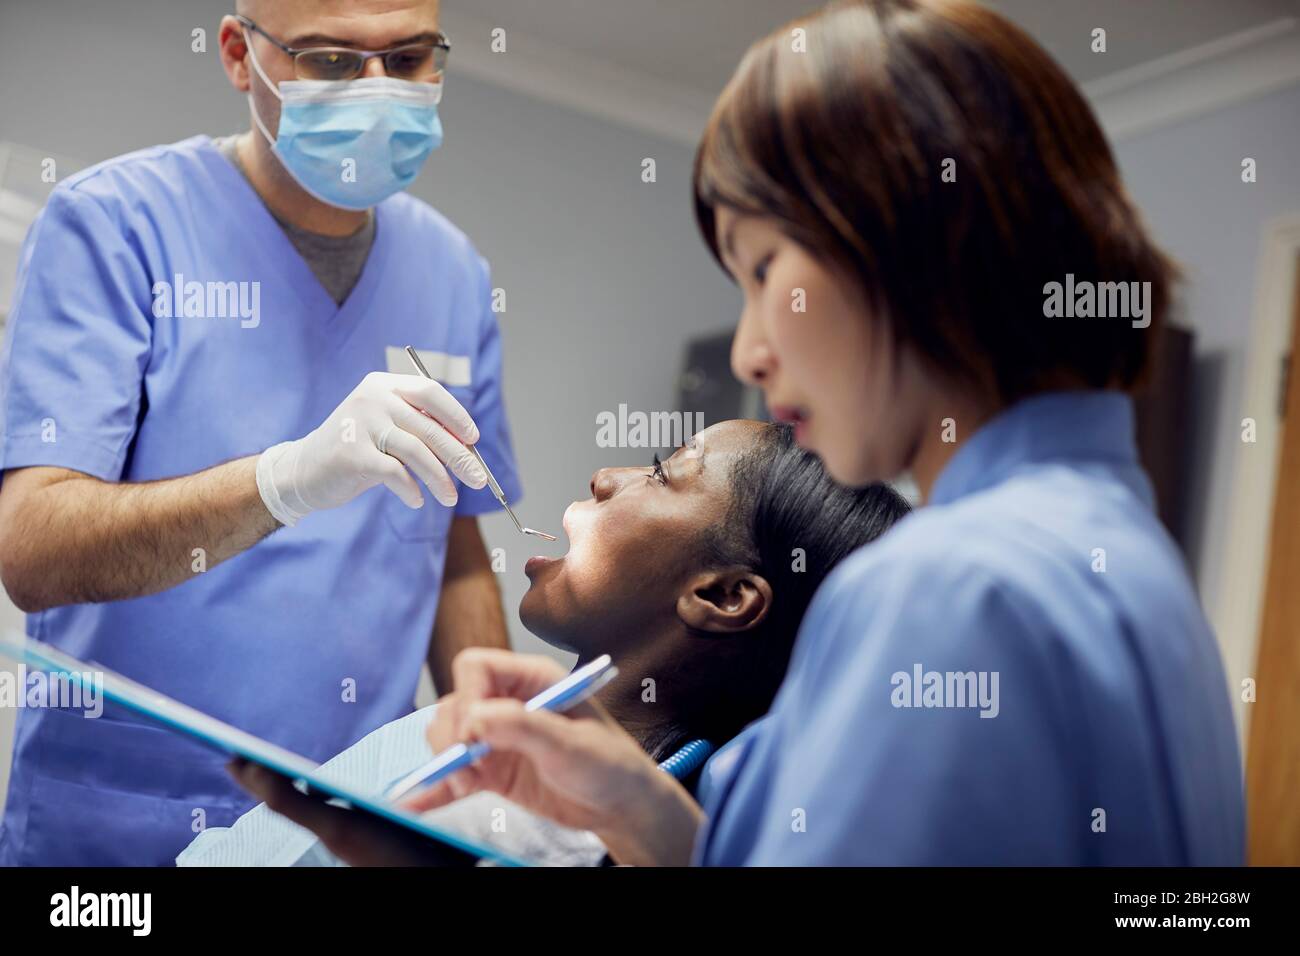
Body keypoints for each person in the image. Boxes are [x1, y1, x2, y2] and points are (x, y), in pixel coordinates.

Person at [240, 0, 1245, 866]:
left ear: (899, 240)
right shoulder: (1133, 571)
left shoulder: (949, 586)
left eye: (765, 269)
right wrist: (644, 816)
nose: (756, 353)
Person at [0, 0, 520, 865]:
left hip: (344, 827)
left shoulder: (454, 276)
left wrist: (497, 761)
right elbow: (30, 548)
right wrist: (282, 482)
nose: (379, 91)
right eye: (333, 61)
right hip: (121, 830)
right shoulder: (117, 224)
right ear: (241, 56)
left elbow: (454, 541)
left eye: (409, 56)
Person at [203, 420, 908, 865]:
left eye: (663, 473)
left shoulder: (549, 833)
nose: (607, 477)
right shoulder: (512, 750)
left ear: (723, 597)